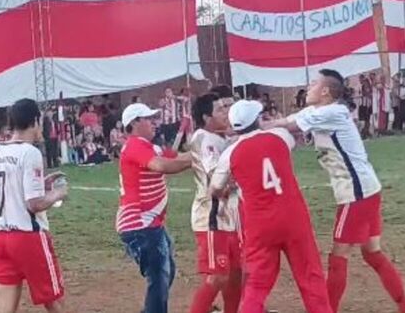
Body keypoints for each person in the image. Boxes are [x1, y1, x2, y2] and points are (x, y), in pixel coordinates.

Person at [263, 69, 405, 313]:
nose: (308, 87)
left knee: (338, 256)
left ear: (325, 91)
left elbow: (290, 126)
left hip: (356, 194)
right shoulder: (320, 111)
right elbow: (286, 121)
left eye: (313, 84)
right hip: (368, 188)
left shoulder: (330, 113)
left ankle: (327, 309)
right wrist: (259, 126)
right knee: (372, 253)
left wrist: (250, 129)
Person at [210, 100, 332, 313]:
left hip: (260, 223)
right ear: (257, 119)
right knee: (311, 278)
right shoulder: (280, 136)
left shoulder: (231, 153)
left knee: (257, 283)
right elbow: (291, 131)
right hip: (293, 216)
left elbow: (215, 188)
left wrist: (231, 185)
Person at [0, 98, 69, 313]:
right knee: (54, 300)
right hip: (28, 237)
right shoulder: (30, 152)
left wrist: (42, 184)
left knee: (3, 309)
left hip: (1, 238)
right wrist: (57, 193)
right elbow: (34, 204)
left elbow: (12, 190)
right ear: (34, 120)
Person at [116, 103, 192, 313]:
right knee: (159, 277)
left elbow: (173, 158)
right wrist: (195, 160)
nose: (154, 123)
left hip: (149, 223)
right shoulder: (135, 145)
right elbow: (161, 165)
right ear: (134, 123)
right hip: (141, 223)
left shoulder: (147, 147)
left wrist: (198, 154)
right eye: (148, 119)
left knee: (165, 272)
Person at [188, 93, 241, 313]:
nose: (226, 112)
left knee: (237, 275)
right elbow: (216, 179)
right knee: (218, 276)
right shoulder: (204, 139)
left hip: (230, 218)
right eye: (220, 109)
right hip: (211, 218)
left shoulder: (223, 139)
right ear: (206, 116)